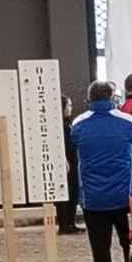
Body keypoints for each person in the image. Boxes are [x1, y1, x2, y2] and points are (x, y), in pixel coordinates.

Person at [71, 79, 132, 262]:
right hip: (125, 195)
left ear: (88, 98)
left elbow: (74, 149)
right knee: (131, 241)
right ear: (112, 97)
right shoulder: (127, 121)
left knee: (100, 245)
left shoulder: (78, 123)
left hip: (93, 198)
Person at [58, 93, 81, 233]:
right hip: (67, 162)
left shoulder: (68, 123)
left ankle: (70, 222)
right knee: (67, 193)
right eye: (69, 105)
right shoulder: (59, 125)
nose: (71, 108)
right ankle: (65, 224)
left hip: (73, 160)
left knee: (73, 192)